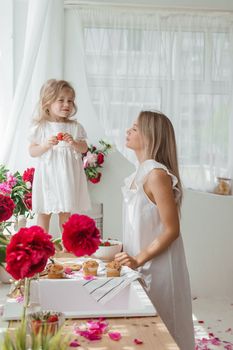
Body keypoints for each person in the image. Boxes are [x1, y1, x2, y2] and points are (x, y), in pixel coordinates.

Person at [115, 111, 195, 349]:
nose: (128, 131)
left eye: (135, 127)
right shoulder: (137, 175)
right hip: (141, 265)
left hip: (160, 270)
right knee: (147, 332)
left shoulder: (156, 174)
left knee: (166, 332)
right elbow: (141, 224)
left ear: (150, 136)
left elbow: (172, 230)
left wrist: (138, 258)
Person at [28, 79, 91, 233]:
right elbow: (32, 151)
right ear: (47, 103)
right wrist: (45, 145)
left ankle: (67, 245)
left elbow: (84, 148)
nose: (67, 104)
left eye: (70, 101)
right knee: (44, 211)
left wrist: (74, 143)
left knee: (65, 212)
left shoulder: (75, 127)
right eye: (61, 100)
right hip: (48, 175)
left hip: (67, 177)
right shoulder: (41, 127)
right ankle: (41, 244)